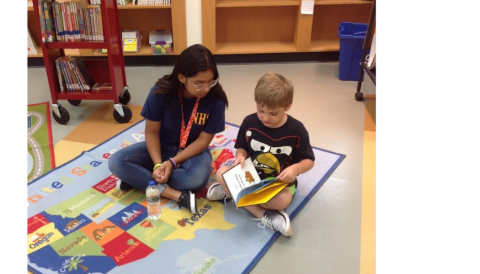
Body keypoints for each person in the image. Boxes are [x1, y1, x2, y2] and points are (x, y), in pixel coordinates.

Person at [108, 44, 228, 214]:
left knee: (195, 178)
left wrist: (172, 163)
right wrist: (158, 163)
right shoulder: (160, 92)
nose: (206, 88)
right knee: (116, 162)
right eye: (199, 84)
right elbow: (151, 132)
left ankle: (140, 179)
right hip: (162, 147)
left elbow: (203, 141)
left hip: (192, 152)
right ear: (181, 77)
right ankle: (174, 194)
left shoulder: (216, 99)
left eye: (211, 81)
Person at [206, 72, 315, 237]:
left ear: (288, 106)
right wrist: (240, 156)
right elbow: (241, 147)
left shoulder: (297, 130)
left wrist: (295, 169)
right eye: (260, 110)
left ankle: (232, 193)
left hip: (277, 183)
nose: (265, 117)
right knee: (221, 173)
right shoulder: (249, 122)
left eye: (273, 113)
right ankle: (263, 214)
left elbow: (309, 161)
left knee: (282, 201)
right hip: (250, 175)